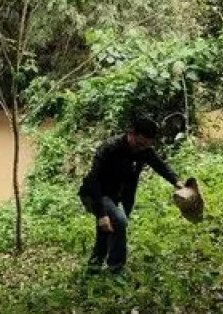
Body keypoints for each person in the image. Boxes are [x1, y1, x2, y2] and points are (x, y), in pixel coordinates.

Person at [78, 117, 183, 273]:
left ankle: (94, 267)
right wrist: (101, 214)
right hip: (95, 194)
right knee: (118, 221)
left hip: (116, 196)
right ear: (131, 134)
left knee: (108, 229)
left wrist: (176, 181)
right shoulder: (109, 148)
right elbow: (93, 181)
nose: (142, 148)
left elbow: (159, 165)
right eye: (140, 144)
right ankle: (116, 269)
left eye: (147, 145)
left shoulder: (144, 149)